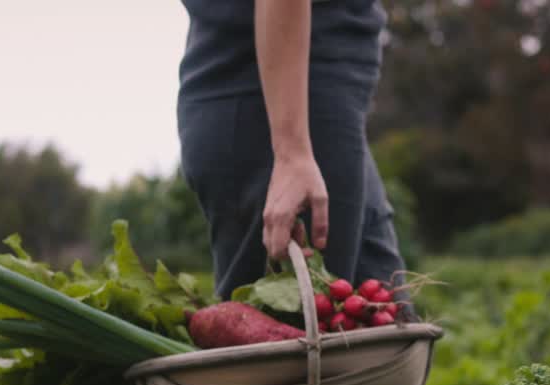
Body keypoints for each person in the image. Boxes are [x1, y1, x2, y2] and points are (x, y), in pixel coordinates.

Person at [175, 0, 409, 307]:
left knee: (386, 325)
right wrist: (291, 152)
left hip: (304, 104)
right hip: (277, 109)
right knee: (301, 339)